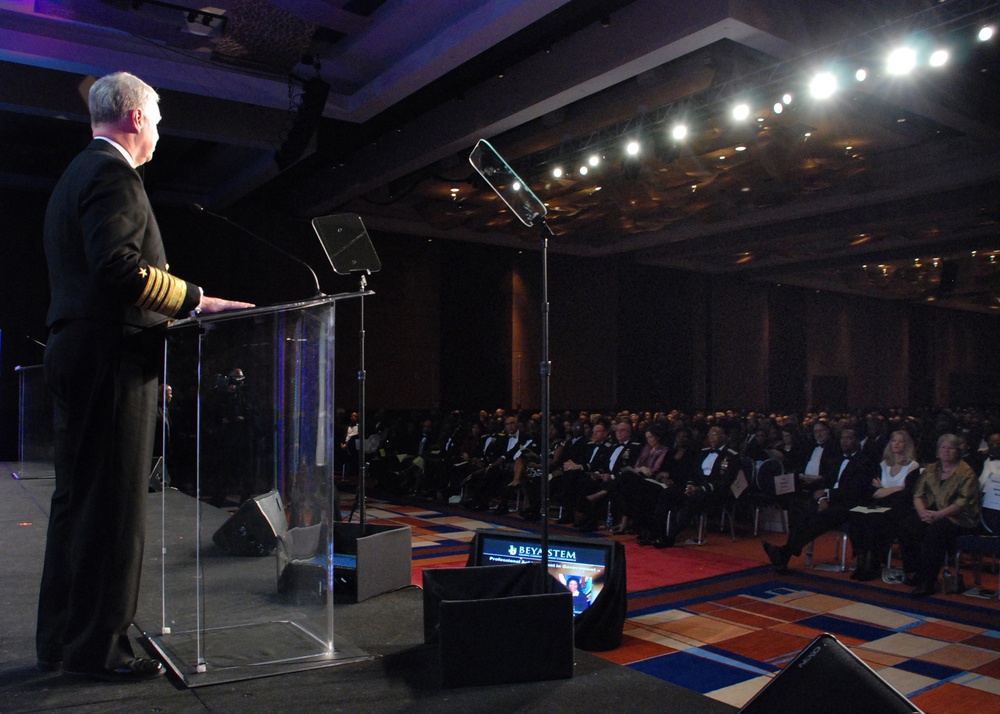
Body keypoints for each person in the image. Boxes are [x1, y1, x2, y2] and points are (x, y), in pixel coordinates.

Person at [37, 72, 253, 682]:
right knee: (112, 510)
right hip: (111, 357)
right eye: (157, 118)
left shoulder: (76, 173)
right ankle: (97, 651)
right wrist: (196, 302)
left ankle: (61, 639)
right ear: (135, 119)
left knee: (76, 504)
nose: (159, 130)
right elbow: (118, 270)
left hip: (79, 350)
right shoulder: (113, 175)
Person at [763, 426, 877, 573]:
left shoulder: (864, 462)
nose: (844, 441)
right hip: (830, 500)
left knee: (820, 516)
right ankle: (785, 554)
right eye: (842, 438)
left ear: (857, 441)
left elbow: (854, 491)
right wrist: (823, 497)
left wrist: (826, 494)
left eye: (849, 438)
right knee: (802, 511)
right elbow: (824, 484)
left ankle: (785, 553)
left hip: (849, 505)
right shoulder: (836, 460)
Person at [898, 433, 980, 596]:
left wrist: (939, 515)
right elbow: (918, 494)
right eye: (943, 447)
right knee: (907, 526)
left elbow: (962, 502)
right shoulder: (930, 469)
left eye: (951, 448)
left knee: (935, 533)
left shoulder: (967, 472)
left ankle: (928, 581)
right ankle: (913, 571)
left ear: (958, 451)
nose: (946, 451)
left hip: (959, 517)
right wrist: (922, 513)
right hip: (930, 512)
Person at [846, 430, 921, 581]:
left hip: (900, 508)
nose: (896, 444)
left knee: (875, 519)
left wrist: (884, 490)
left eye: (900, 441)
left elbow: (906, 494)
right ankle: (861, 559)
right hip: (879, 504)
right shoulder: (883, 465)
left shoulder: (913, 466)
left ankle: (872, 563)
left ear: (907, 445)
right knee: (855, 515)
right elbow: (872, 492)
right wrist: (895, 488)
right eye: (894, 441)